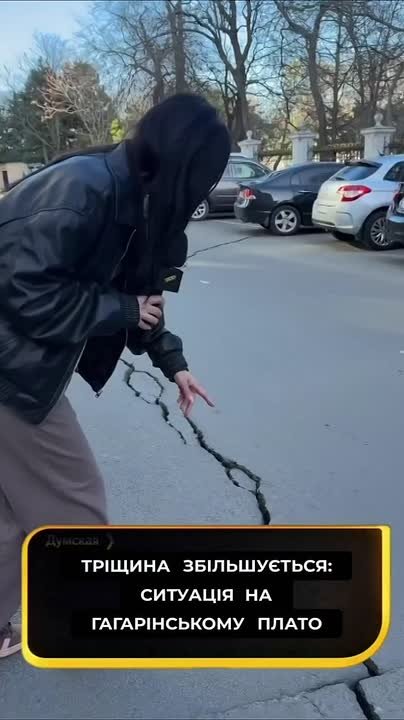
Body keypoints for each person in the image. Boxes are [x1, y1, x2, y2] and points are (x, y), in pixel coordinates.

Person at [0, 93, 231, 657]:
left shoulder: (142, 200)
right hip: (11, 372)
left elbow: (143, 299)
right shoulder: (82, 190)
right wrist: (121, 310)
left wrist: (173, 363)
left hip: (19, 364)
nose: (204, 190)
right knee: (74, 505)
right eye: (204, 175)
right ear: (182, 163)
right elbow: (24, 293)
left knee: (12, 515)